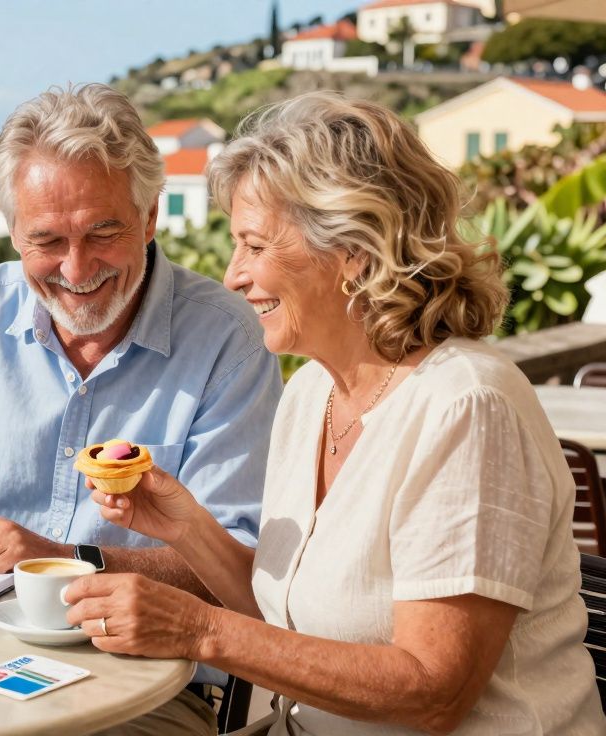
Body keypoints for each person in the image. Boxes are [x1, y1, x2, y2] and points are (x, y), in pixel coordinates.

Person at [65, 90, 606, 734]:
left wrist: (199, 630)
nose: (233, 275)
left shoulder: (466, 408)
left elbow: (435, 692)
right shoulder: (311, 393)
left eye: (254, 246)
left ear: (353, 250)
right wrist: (187, 528)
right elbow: (289, 621)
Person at [0, 83, 283, 734]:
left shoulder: (228, 340)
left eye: (103, 232)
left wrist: (67, 559)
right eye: (47, 241)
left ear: (150, 216)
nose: (76, 267)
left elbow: (239, 565)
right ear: (13, 232)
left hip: (150, 689)